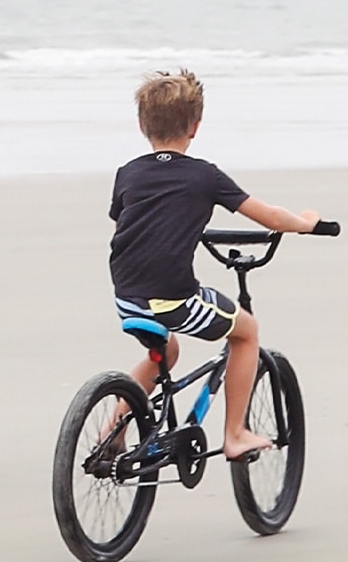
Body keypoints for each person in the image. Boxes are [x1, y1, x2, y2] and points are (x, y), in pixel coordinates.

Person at [108, 68, 319, 463]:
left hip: (128, 297)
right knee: (246, 332)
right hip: (173, 299)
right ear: (195, 127)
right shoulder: (204, 176)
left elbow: (129, 228)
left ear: (141, 125)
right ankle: (235, 434)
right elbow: (270, 217)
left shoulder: (128, 174)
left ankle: (112, 431)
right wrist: (305, 223)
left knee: (165, 352)